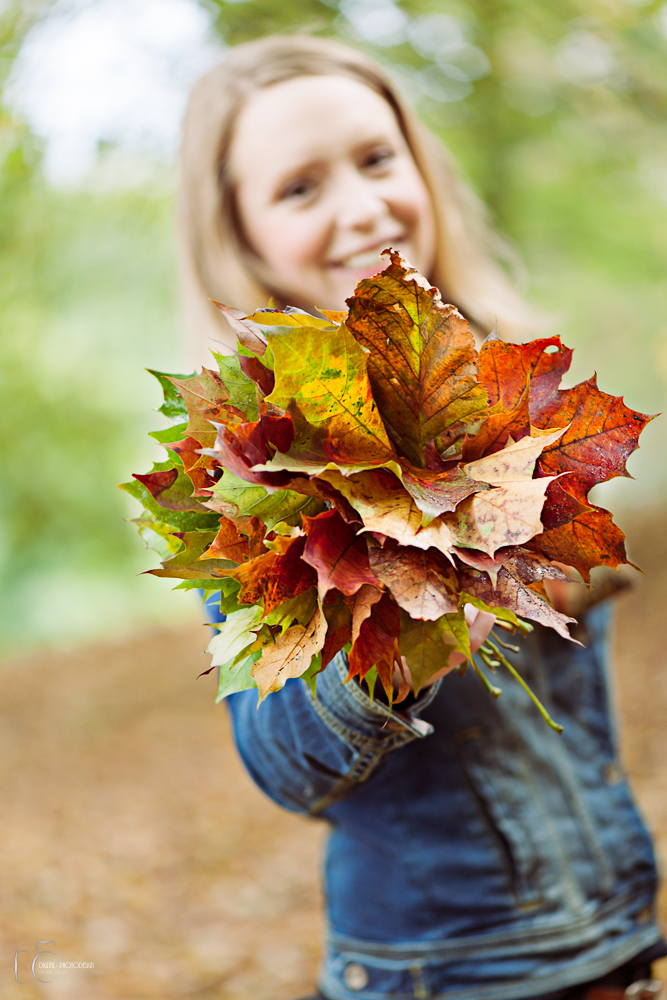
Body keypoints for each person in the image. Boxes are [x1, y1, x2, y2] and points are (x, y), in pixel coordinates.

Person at [177, 35, 665, 1000]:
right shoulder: (254, 461)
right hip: (447, 974)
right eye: (299, 189)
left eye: (374, 158)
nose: (362, 208)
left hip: (604, 932)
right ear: (240, 237)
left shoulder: (502, 396)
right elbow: (281, 762)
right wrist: (387, 662)